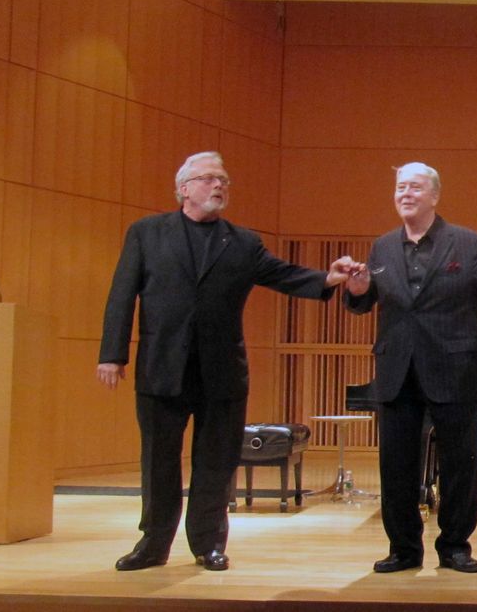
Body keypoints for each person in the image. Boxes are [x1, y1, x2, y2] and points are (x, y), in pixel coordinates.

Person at [97, 151, 360, 572]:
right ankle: (153, 544)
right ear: (184, 188)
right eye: (208, 179)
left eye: (224, 180)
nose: (219, 186)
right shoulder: (147, 233)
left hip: (221, 371)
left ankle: (208, 544)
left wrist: (329, 278)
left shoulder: (242, 241)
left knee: (216, 463)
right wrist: (112, 354)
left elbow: (282, 274)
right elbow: (122, 293)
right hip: (161, 367)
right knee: (158, 460)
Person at [344, 162, 477, 574]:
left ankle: (455, 546)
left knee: (461, 464)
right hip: (397, 371)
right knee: (396, 466)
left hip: (454, 369)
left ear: (434, 196)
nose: (405, 193)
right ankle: (404, 549)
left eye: (415, 188)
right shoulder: (382, 247)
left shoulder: (466, 243)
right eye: (400, 187)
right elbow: (363, 300)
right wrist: (356, 290)